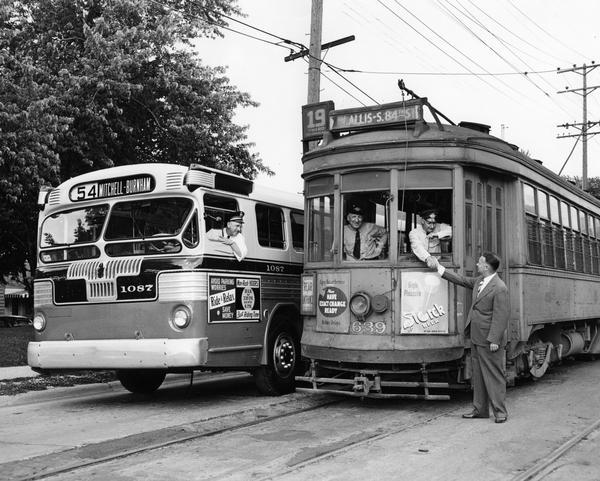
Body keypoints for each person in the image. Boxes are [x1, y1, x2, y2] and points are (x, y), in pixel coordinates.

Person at [429, 252, 509, 423]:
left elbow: (501, 316)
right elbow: (461, 280)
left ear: (487, 267)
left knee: (494, 375)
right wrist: (439, 269)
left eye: (480, 263)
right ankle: (480, 409)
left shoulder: (500, 287)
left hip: (489, 339)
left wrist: (494, 339)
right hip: (476, 336)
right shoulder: (480, 281)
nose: (477, 265)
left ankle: (500, 412)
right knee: (478, 375)